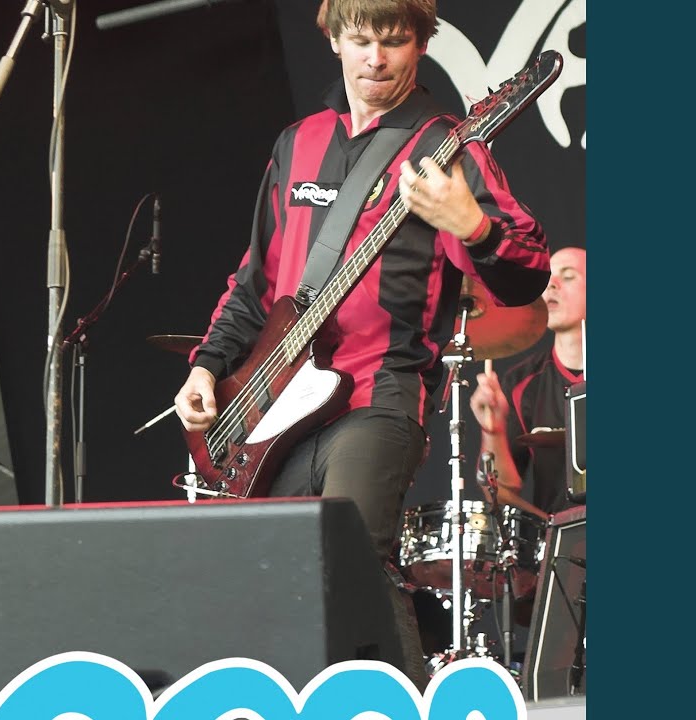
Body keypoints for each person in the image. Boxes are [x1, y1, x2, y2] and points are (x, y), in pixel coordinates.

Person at [172, 0, 550, 685]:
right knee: (276, 577)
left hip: (380, 393)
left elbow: (528, 273)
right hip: (278, 405)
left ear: (420, 46)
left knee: (353, 555)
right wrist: (207, 365)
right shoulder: (298, 143)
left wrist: (471, 224)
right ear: (335, 41)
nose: (376, 58)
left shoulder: (449, 147)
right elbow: (256, 282)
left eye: (394, 41)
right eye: (362, 39)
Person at [470, 246, 586, 521]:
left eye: (568, 276)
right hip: (561, 542)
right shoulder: (521, 382)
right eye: (549, 277)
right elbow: (500, 491)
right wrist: (494, 431)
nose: (551, 285)